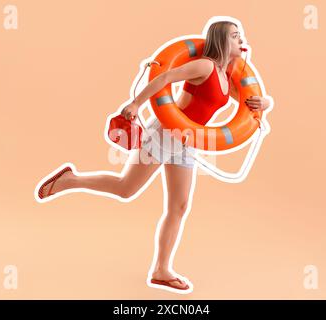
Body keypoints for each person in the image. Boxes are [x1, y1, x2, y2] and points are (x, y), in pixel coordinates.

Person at [37, 21, 270, 291]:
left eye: (240, 34)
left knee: (179, 206)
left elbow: (245, 101)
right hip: (165, 132)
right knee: (126, 189)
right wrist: (135, 104)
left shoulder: (226, 74)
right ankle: (69, 180)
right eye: (234, 35)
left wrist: (266, 103)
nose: (241, 39)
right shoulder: (205, 66)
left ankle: (161, 269)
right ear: (220, 41)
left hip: (188, 140)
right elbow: (165, 78)